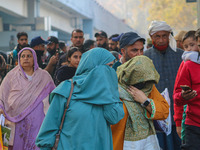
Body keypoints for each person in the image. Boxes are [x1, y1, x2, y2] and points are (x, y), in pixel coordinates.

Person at [36, 47, 124, 150]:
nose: (111, 71)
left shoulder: (108, 90)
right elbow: (49, 127)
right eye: (108, 66)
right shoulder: (67, 89)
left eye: (112, 66)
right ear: (93, 66)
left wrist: (106, 92)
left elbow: (114, 118)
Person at [111, 32, 169, 150]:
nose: (139, 55)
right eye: (134, 50)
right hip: (118, 143)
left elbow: (164, 111)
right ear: (123, 51)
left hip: (147, 142)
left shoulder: (144, 79)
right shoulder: (110, 76)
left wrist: (145, 101)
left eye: (141, 50)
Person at [0, 47, 55, 150]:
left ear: (34, 59)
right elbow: (2, 95)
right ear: (19, 59)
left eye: (29, 56)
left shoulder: (44, 76)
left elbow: (53, 95)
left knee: (36, 143)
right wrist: (1, 108)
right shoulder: (11, 76)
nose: (26, 58)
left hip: (38, 120)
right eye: (23, 56)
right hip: (15, 120)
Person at [144, 20, 183, 150]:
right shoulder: (145, 58)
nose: (161, 40)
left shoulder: (181, 55)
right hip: (156, 114)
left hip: (179, 114)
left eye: (164, 36)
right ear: (151, 37)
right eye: (157, 36)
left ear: (169, 36)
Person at [173, 28, 200, 150]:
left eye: (192, 45)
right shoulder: (187, 64)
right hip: (194, 125)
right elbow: (177, 95)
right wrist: (178, 123)